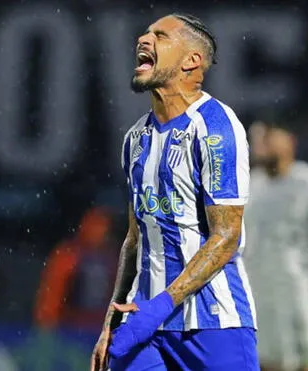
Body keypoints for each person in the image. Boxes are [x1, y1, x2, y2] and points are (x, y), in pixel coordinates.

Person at [90, 13, 258, 371]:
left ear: (191, 61)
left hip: (212, 322)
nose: (143, 38)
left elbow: (226, 236)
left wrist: (161, 307)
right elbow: (134, 239)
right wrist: (111, 324)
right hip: (142, 323)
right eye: (146, 32)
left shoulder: (216, 127)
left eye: (160, 36)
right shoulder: (135, 139)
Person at [243, 118, 308, 371]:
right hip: (259, 288)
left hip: (299, 286)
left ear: (289, 139)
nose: (261, 145)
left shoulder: (304, 183)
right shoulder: (247, 187)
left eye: (268, 137)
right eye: (257, 139)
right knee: (265, 359)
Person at [34, 207, 117, 333]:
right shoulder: (69, 255)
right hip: (71, 326)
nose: (101, 233)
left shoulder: (113, 257)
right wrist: (47, 321)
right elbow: (53, 291)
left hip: (99, 326)